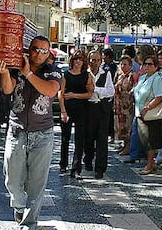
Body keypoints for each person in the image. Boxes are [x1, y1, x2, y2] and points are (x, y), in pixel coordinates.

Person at [0, 36, 61, 230]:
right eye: (35, 49)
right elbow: (7, 89)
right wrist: (5, 72)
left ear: (48, 52)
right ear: (29, 50)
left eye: (43, 50)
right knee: (12, 179)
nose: (39, 54)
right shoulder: (17, 66)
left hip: (43, 133)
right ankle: (19, 206)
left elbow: (50, 90)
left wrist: (28, 73)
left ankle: (29, 226)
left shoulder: (54, 70)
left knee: (37, 184)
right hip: (17, 130)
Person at [58, 51, 93, 176]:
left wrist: (74, 95)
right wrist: (63, 111)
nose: (78, 61)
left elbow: (90, 93)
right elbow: (60, 94)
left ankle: (76, 167)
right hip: (67, 108)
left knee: (80, 139)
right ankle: (63, 164)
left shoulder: (87, 76)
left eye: (81, 59)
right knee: (65, 138)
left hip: (82, 109)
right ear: (72, 61)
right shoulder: (66, 75)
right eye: (76, 59)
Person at [83, 50, 115, 179]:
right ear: (89, 60)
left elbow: (110, 91)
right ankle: (88, 160)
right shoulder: (85, 74)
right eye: (92, 60)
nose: (95, 63)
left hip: (102, 109)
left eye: (97, 60)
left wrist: (96, 89)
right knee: (88, 137)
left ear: (101, 61)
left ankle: (100, 168)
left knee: (102, 139)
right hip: (88, 108)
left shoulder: (106, 73)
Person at [133, 55, 162, 175]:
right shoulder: (143, 77)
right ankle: (151, 163)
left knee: (151, 140)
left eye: (150, 64)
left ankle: (150, 164)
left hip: (150, 113)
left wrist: (147, 107)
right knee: (144, 140)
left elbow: (158, 96)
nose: (147, 66)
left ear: (156, 66)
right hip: (140, 112)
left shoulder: (156, 79)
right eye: (145, 64)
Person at [114, 55, 136, 156]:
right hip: (119, 104)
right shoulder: (119, 75)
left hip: (128, 105)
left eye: (125, 64)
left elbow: (134, 89)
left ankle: (128, 147)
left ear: (130, 65)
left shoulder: (132, 75)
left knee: (128, 126)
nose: (123, 66)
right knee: (120, 126)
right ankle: (124, 145)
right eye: (121, 64)